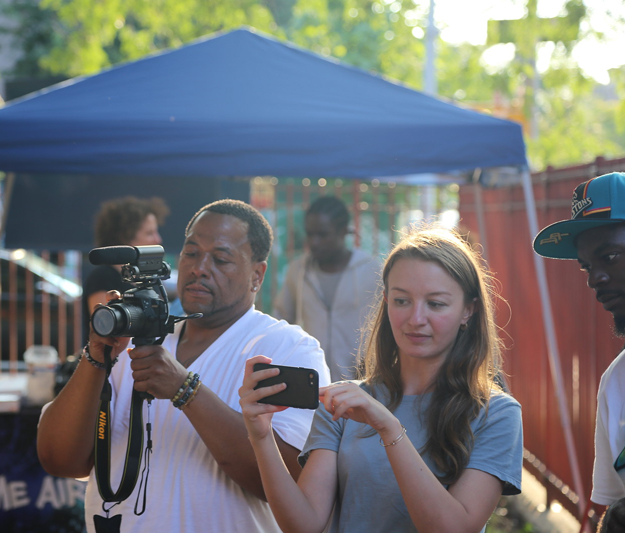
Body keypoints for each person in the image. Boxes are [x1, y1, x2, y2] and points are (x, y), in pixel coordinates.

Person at [38, 199, 330, 532]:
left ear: (257, 276)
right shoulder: (134, 338)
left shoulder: (286, 347)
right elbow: (59, 459)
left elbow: (293, 482)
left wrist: (186, 390)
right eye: (191, 253)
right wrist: (95, 356)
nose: (200, 267)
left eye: (220, 258)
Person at [240, 224, 523, 533]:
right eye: (402, 300)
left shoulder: (496, 413)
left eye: (436, 304)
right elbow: (303, 525)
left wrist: (389, 428)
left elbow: (454, 528)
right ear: (387, 301)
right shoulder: (345, 403)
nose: (416, 319)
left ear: (468, 310)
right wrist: (261, 436)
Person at [532, 172, 625, 529]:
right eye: (587, 266)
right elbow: (611, 510)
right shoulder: (616, 383)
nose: (594, 279)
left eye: (611, 256)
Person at [272, 196, 381, 381]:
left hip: (362, 384)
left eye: (322, 235)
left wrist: (372, 363)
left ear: (343, 232)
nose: (314, 242)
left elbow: (384, 325)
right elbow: (281, 320)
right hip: (312, 385)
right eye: (310, 234)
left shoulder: (371, 271)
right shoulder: (298, 271)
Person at [81, 196, 169, 345]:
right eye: (149, 233)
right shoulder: (102, 277)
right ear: (126, 237)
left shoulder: (151, 280)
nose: (158, 239)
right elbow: (105, 328)